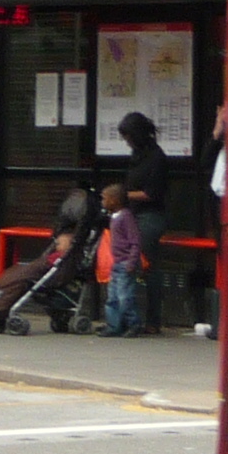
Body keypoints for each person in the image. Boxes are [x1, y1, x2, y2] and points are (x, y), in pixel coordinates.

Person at [103, 114, 164, 336]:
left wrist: (124, 195)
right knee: (121, 264)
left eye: (128, 136)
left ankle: (151, 319)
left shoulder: (156, 158)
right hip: (132, 213)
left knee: (144, 264)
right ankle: (120, 319)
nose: (126, 141)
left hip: (149, 215)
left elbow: (152, 193)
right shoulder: (136, 155)